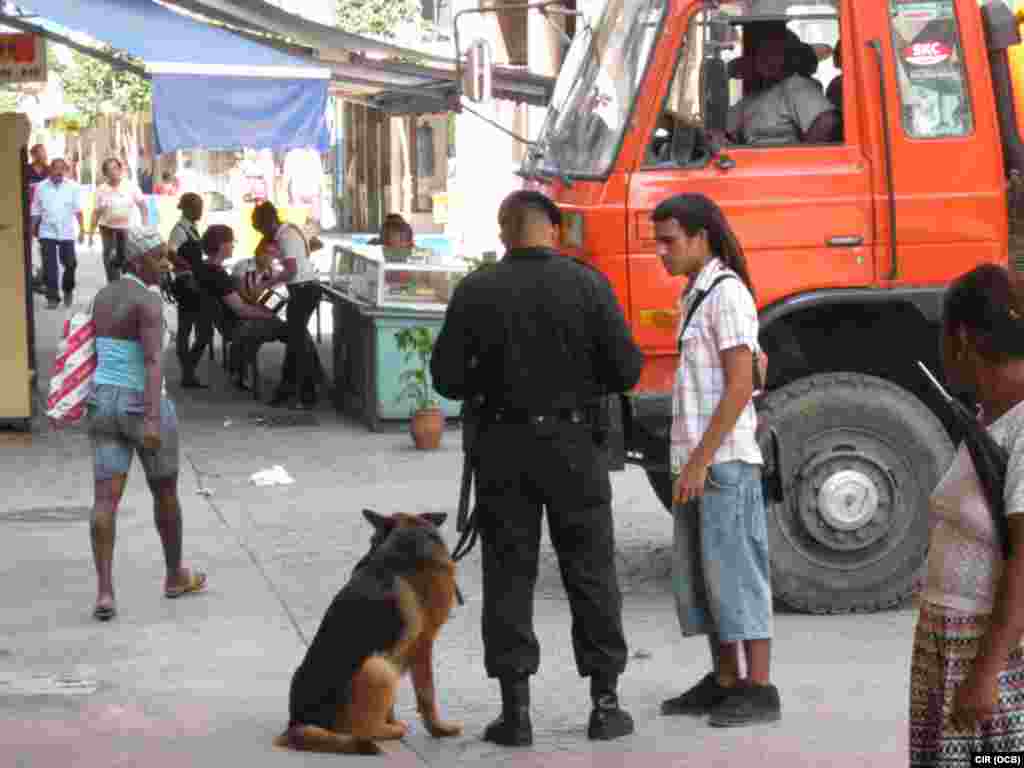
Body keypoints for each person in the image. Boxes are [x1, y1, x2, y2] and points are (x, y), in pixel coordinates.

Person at [430, 190, 644, 746]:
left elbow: (447, 378)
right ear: (552, 229)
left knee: (508, 574)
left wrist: (491, 379)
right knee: (591, 572)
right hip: (576, 446)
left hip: (503, 447)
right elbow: (626, 369)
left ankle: (515, 713)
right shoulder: (589, 284)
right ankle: (605, 705)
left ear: (504, 230)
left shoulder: (476, 290)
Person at [650, 193, 779, 727]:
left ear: (701, 238)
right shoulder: (695, 295)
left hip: (721, 461)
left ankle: (759, 688)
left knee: (737, 575)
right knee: (705, 578)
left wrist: (701, 460)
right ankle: (725, 679)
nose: (661, 252)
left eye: (669, 241)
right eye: (658, 241)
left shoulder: (727, 295)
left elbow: (739, 385)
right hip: (697, 461)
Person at [909, 265, 1024, 765]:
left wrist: (987, 671)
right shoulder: (988, 417)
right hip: (950, 643)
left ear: (962, 340)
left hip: (987, 653)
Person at [87, 227, 207, 622]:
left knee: (105, 501)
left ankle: (105, 592)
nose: (166, 264)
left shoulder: (103, 296)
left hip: (103, 403)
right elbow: (153, 363)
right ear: (138, 261)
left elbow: (96, 351)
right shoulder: (148, 302)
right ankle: (175, 576)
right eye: (158, 258)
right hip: (142, 405)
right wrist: (152, 418)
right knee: (166, 493)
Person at [192, 224, 286, 390]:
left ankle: (241, 368)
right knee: (294, 330)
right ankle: (299, 380)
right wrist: (269, 315)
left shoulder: (203, 267)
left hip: (223, 322)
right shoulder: (218, 275)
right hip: (235, 324)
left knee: (273, 325)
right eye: (231, 242)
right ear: (222, 245)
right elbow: (241, 309)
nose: (233, 245)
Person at [251, 202, 321, 409]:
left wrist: (265, 284)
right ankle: (290, 391)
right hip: (300, 290)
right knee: (296, 343)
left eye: (262, 228)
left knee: (298, 346)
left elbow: (291, 270)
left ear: (270, 222)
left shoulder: (286, 236)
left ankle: (306, 394)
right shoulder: (286, 233)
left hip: (304, 290)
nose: (263, 233)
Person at [726, 26, 838, 145]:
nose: (766, 58)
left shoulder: (796, 86)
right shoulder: (754, 98)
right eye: (762, 52)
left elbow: (828, 121)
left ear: (789, 57)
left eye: (774, 53)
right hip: (751, 161)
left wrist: (803, 159)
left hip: (780, 162)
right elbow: (721, 130)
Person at [30, 158, 84, 309]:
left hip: (66, 232)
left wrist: (83, 230)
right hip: (47, 231)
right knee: (49, 266)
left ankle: (67, 289)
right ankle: (52, 298)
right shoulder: (41, 187)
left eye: (62, 169)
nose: (59, 171)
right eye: (56, 168)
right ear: (50, 170)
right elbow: (35, 210)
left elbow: (78, 210)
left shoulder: (73, 187)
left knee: (70, 263)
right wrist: (31, 229)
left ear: (65, 171)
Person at [167, 193, 207, 389]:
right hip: (186, 285)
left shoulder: (192, 229)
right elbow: (170, 253)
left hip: (195, 284)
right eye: (198, 207)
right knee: (186, 330)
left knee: (202, 332)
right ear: (187, 209)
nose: (201, 210)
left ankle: (188, 370)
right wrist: (188, 268)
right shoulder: (180, 230)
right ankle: (188, 373)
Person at [89, 157, 149, 283]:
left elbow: (143, 206)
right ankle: (113, 284)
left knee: (125, 258)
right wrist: (90, 233)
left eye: (115, 168)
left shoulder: (130, 186)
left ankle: (128, 282)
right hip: (107, 228)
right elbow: (96, 212)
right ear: (105, 173)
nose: (113, 172)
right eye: (109, 170)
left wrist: (145, 224)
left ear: (120, 170)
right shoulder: (101, 190)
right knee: (109, 256)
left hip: (126, 228)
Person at [283, 146, 323, 230]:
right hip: (310, 190)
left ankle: (303, 234)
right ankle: (311, 234)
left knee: (300, 218)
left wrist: (285, 191)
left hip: (300, 190)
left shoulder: (292, 153)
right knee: (312, 218)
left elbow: (286, 176)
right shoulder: (314, 153)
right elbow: (319, 174)